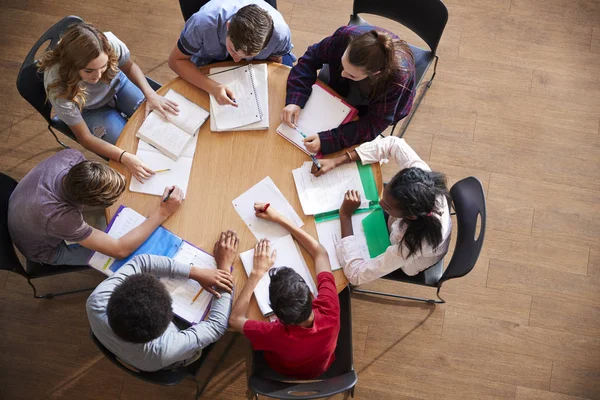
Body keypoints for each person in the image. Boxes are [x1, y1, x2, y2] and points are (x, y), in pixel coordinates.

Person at [38, 22, 179, 182]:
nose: (97, 76)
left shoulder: (111, 43)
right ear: (72, 67)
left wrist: (150, 94)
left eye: (103, 66)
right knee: (130, 149)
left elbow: (130, 67)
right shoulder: (57, 87)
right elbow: (85, 138)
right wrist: (124, 156)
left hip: (118, 84)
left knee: (158, 122)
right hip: (89, 108)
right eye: (89, 71)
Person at [87, 230, 238, 372]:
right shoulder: (164, 348)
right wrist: (224, 268)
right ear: (169, 321)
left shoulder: (97, 300)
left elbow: (141, 262)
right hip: (163, 360)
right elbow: (216, 326)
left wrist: (194, 272)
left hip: (128, 349)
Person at [7, 149, 183, 266]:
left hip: (23, 206)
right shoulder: (60, 217)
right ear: (87, 206)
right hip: (43, 249)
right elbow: (119, 250)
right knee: (130, 258)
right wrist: (163, 212)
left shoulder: (71, 157)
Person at [314, 136, 452, 285]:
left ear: (410, 216)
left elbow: (356, 275)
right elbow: (394, 143)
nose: (380, 203)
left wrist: (345, 216)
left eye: (386, 206)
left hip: (413, 260)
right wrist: (337, 161)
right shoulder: (423, 179)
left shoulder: (412, 245)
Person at [228, 204, 340, 379]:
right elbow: (320, 253)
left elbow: (235, 320)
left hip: (281, 370)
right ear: (310, 294)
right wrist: (280, 218)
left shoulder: (274, 334)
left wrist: (257, 273)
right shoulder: (329, 307)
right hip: (321, 366)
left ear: (277, 317)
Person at [281, 25, 415, 155]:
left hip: (378, 103)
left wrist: (328, 140)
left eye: (351, 75)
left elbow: (374, 124)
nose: (342, 74)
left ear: (375, 73)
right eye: (342, 63)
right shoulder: (343, 37)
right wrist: (295, 99)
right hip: (343, 91)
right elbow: (310, 58)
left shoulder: (396, 79)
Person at [168, 0, 295, 107]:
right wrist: (212, 87)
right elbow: (175, 61)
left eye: (248, 55)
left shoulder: (280, 34)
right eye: (233, 50)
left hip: (260, 62)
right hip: (209, 58)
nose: (236, 60)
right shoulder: (202, 24)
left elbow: (275, 61)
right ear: (228, 26)